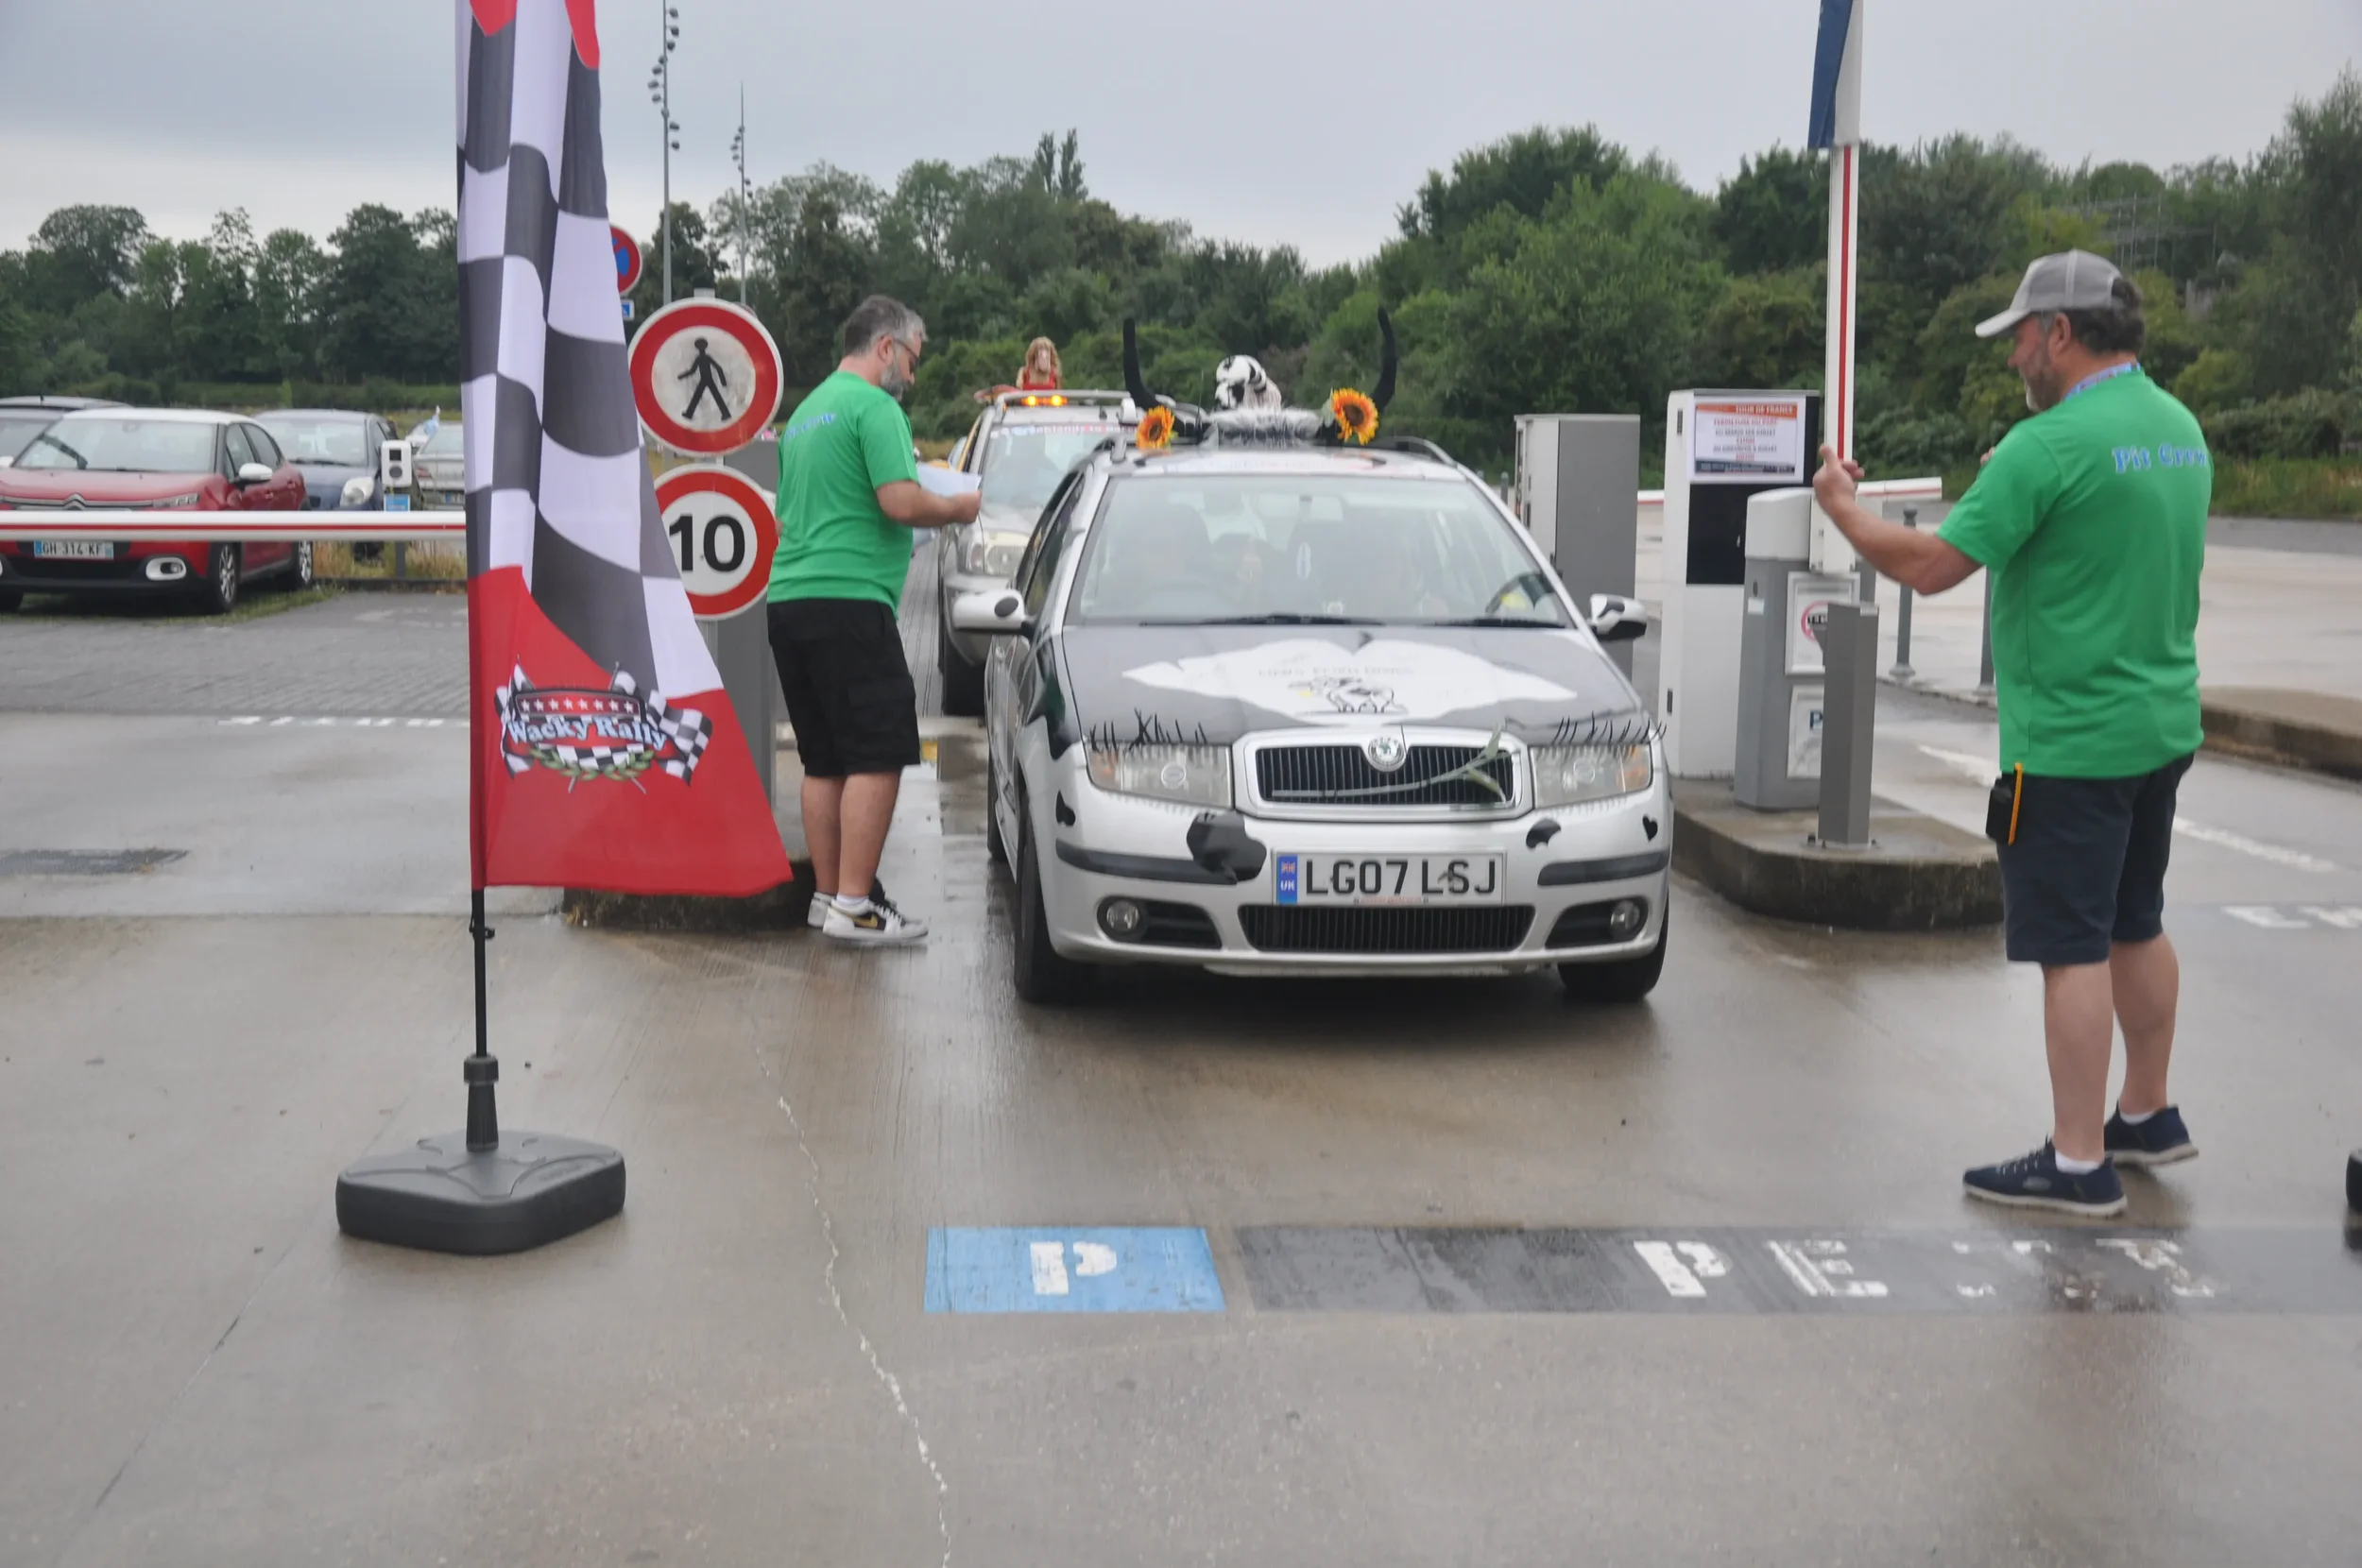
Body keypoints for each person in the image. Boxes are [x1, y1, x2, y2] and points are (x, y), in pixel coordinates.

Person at [1809, 250, 2210, 1218]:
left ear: (2060, 334)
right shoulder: (2177, 428)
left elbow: (1930, 565)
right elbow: (2096, 530)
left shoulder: (2046, 448)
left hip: (2069, 744)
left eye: (2020, 337)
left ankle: (2077, 1163)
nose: (2011, 357)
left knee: (2071, 948)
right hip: (2160, 727)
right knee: (2136, 921)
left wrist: (1843, 509)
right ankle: (2147, 1111)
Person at [768, 296, 981, 946]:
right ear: (886, 346)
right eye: (912, 360)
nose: (911, 376)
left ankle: (829, 896)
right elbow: (899, 501)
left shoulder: (806, 414)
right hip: (851, 600)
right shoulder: (876, 408)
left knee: (825, 760)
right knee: (880, 753)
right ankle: (857, 905)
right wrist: (960, 507)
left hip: (791, 598)